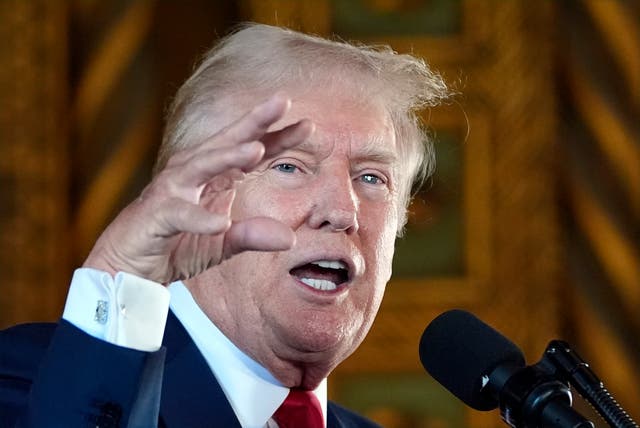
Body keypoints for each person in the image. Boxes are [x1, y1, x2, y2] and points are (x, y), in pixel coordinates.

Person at [0, 23, 449, 427]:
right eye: (289, 166)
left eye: (371, 177)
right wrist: (120, 274)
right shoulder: (39, 381)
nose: (343, 211)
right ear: (198, 195)